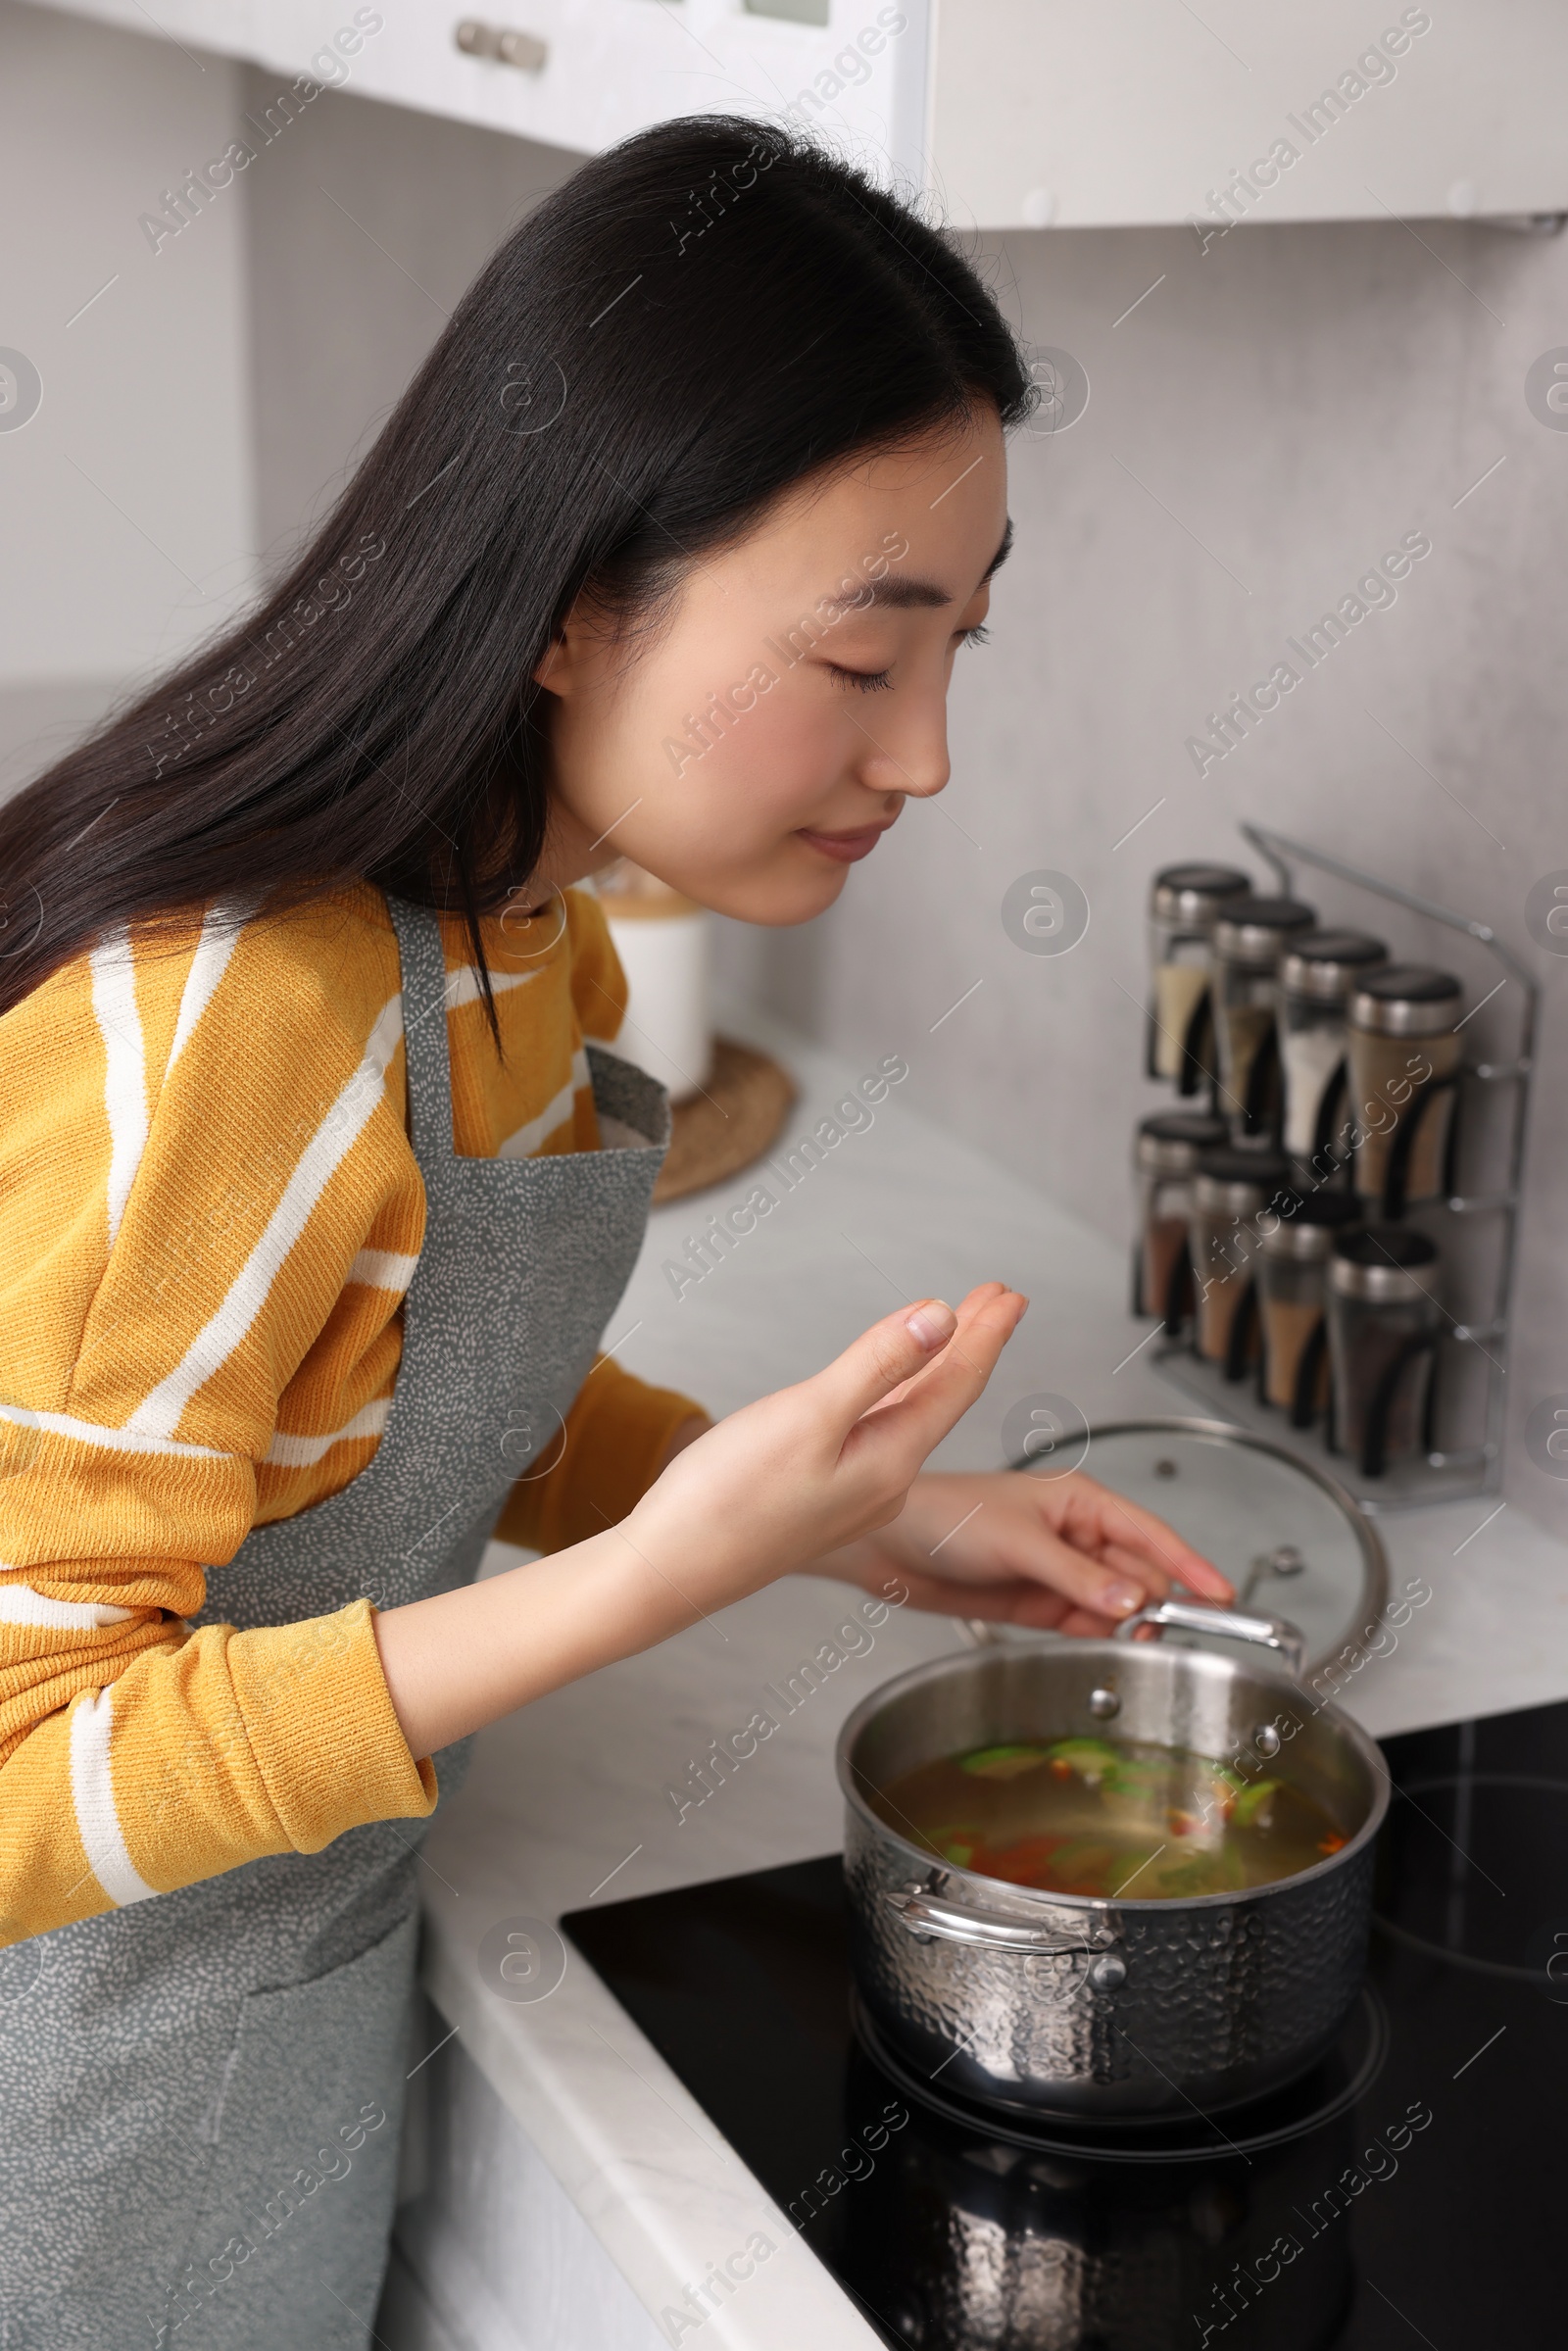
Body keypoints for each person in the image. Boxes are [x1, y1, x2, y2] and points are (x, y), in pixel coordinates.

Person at [0, 118, 1230, 2348]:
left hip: (260, 1994)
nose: (928, 753)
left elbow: (398, 1410)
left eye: (957, 645)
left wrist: (851, 1516)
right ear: (575, 601)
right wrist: (670, 1574)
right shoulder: (231, 1024)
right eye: (862, 663)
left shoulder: (516, 934)